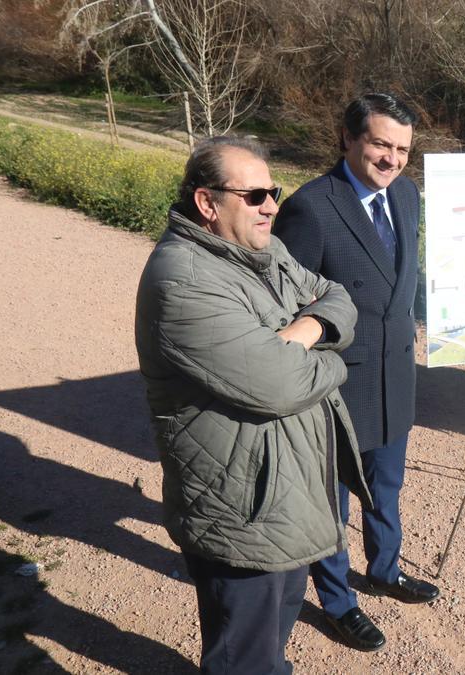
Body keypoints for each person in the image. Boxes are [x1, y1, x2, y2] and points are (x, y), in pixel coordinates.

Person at [135, 137, 374, 672]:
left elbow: (338, 297)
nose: (271, 207)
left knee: (276, 629)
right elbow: (280, 385)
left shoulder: (265, 249)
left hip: (284, 494)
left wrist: (303, 331)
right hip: (241, 507)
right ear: (207, 202)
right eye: (255, 195)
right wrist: (334, 360)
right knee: (242, 654)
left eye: (274, 192)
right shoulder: (183, 280)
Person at [273, 92, 439, 652]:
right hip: (338, 384)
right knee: (332, 502)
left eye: (403, 150)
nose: (392, 159)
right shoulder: (312, 207)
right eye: (380, 144)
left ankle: (385, 571)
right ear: (347, 138)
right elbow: (285, 306)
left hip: (395, 375)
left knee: (386, 487)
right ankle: (339, 601)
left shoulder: (407, 195)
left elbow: (402, 281)